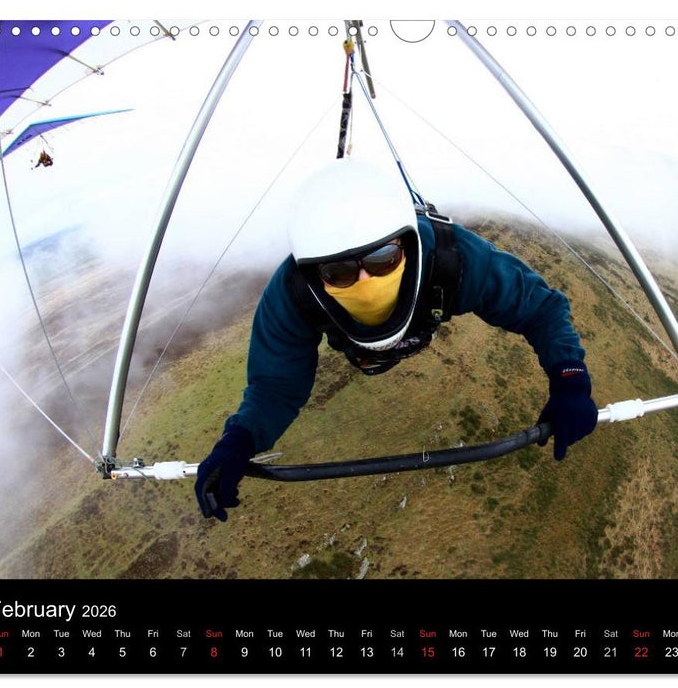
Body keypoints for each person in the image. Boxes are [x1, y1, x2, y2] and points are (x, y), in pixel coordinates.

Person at [195, 159, 598, 521]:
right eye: (339, 272)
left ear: (406, 245)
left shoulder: (452, 260)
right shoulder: (294, 294)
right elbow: (276, 385)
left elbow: (539, 308)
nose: (365, 282)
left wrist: (570, 379)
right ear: (315, 273)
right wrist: (239, 440)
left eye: (382, 259)